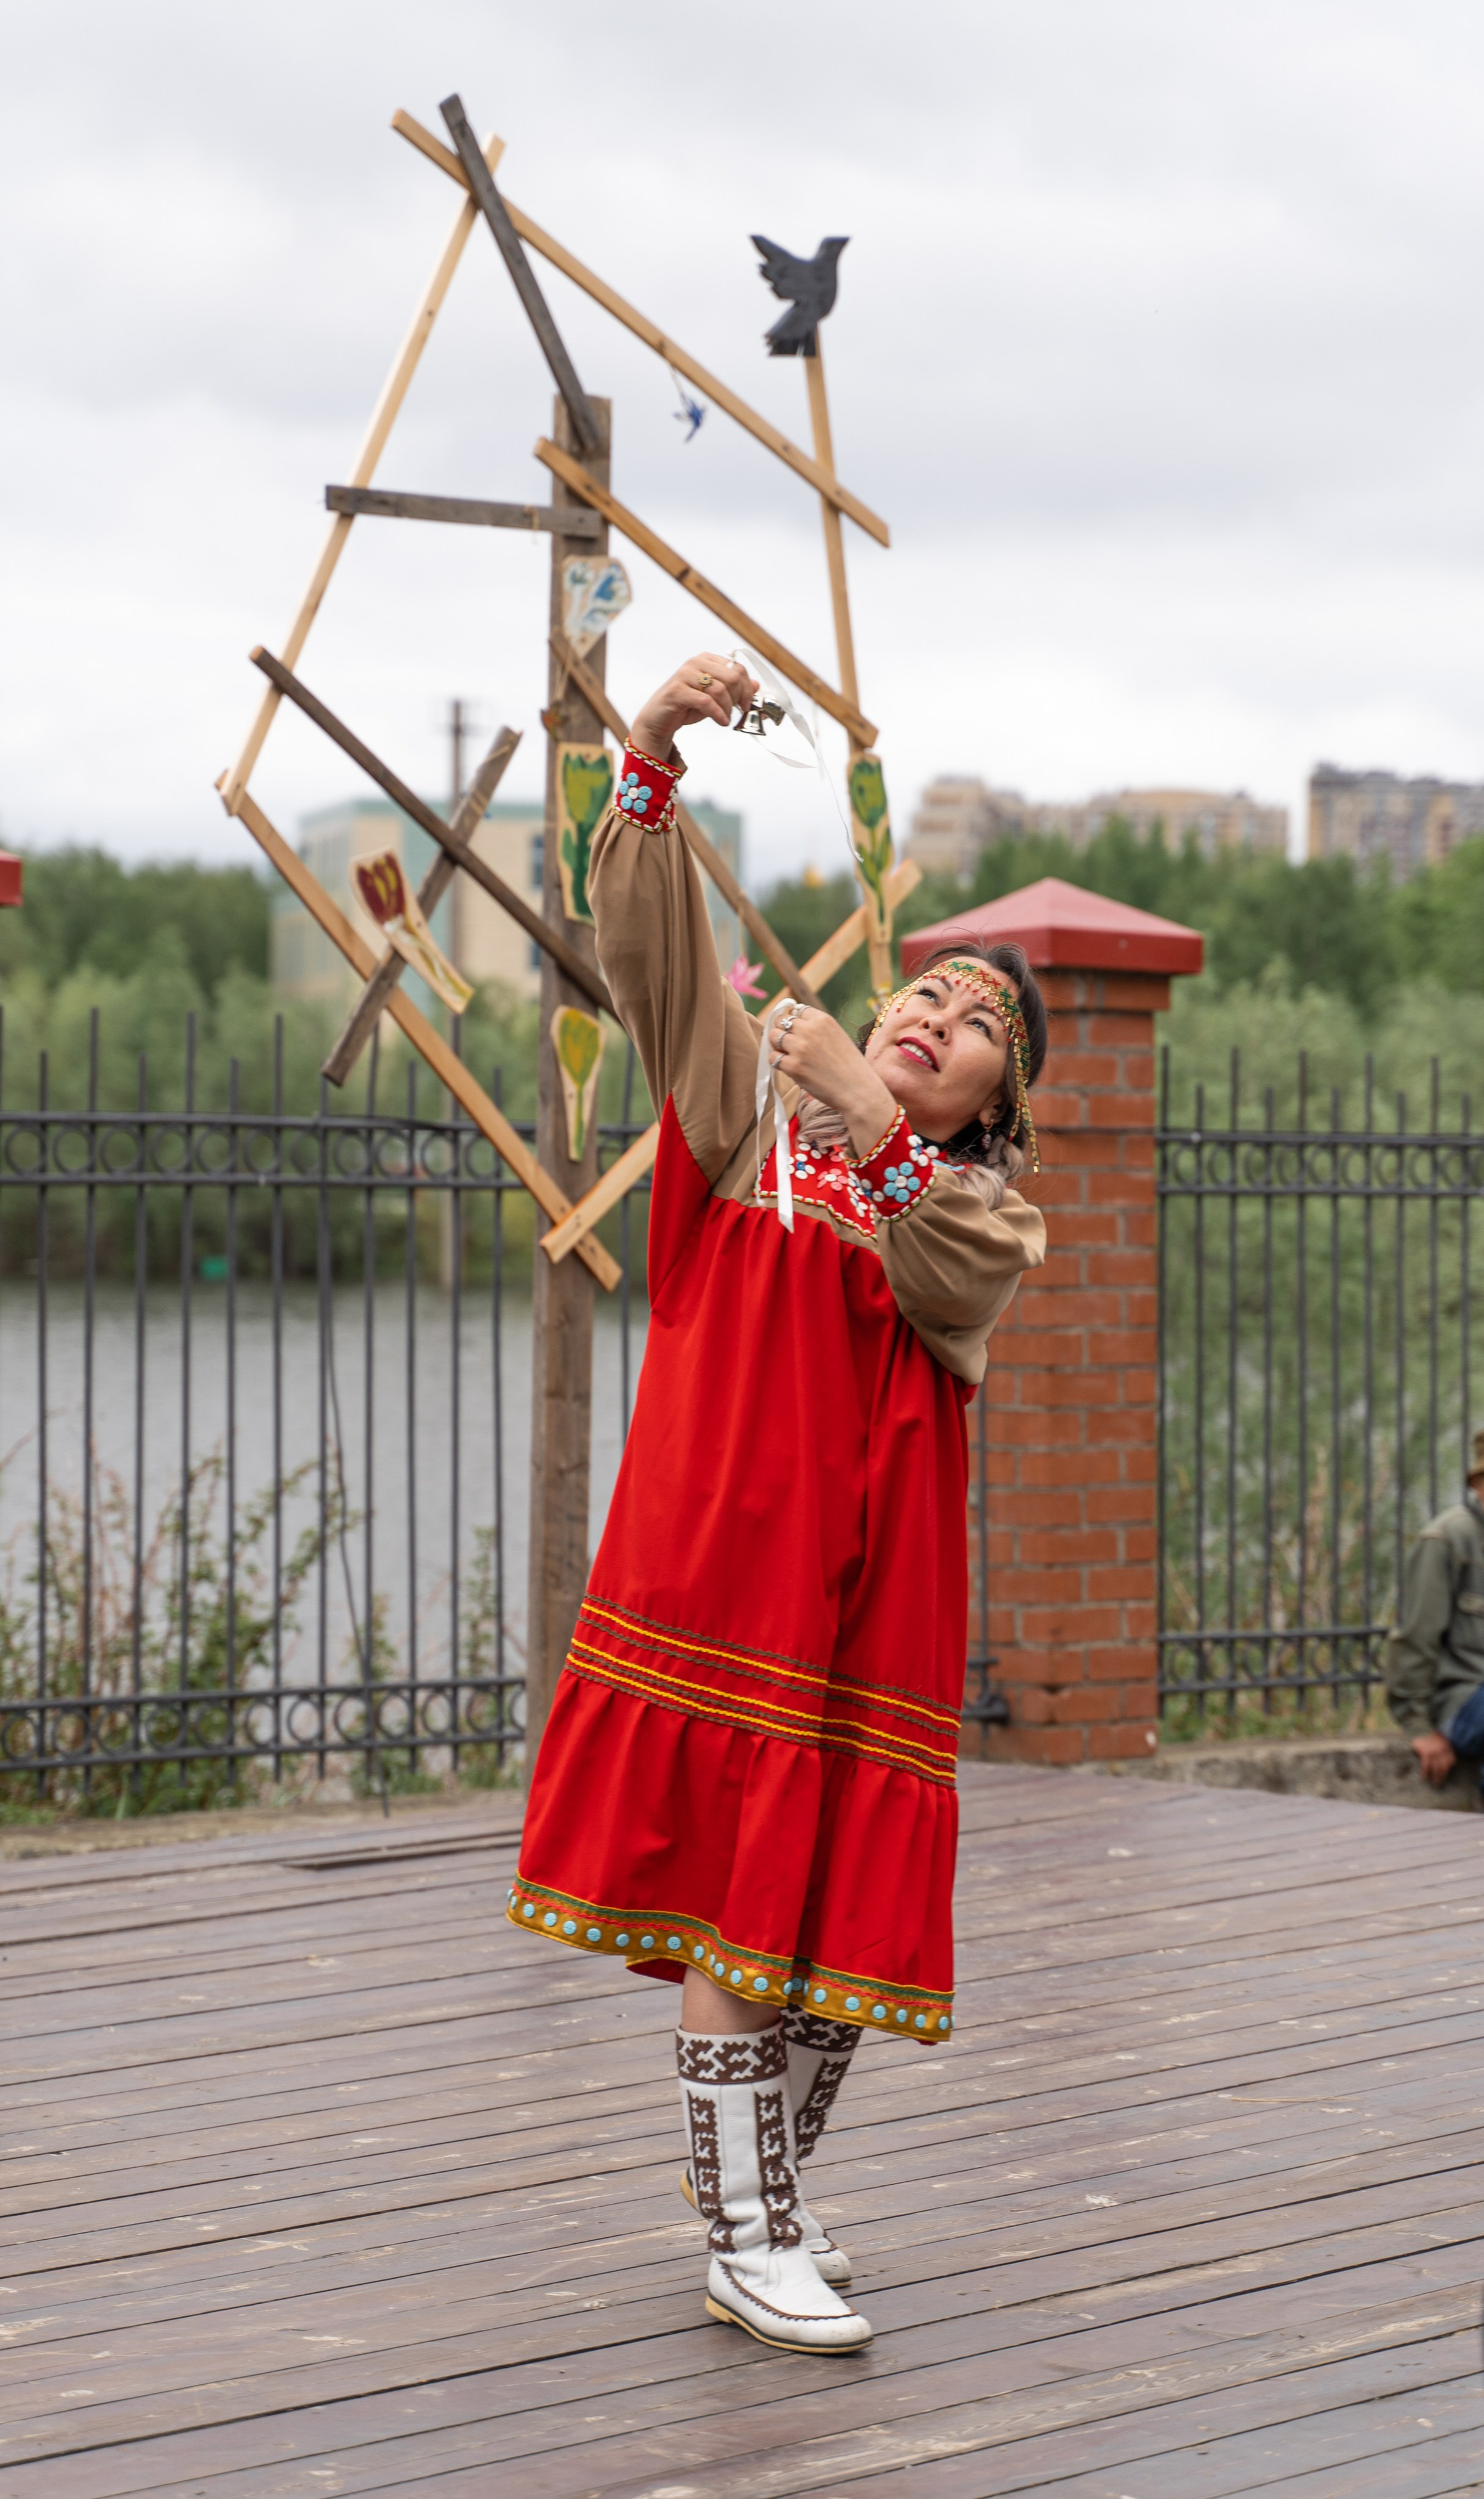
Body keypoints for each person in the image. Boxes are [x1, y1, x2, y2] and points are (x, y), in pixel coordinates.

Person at [507, 653, 1048, 2352]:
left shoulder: (973, 1214)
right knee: (748, 1908)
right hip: (729, 1565)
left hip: (874, 1606)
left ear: (993, 1099)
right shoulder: (754, 1123)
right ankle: (746, 2230)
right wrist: (652, 749)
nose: (932, 1016)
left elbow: (948, 1275)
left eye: (973, 1024)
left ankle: (773, 2199)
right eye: (927, 992)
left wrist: (869, 1111)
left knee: (845, 1932)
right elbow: (659, 970)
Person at [1385, 1429, 1484, 1800]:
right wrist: (1417, 1725)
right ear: (1477, 1484)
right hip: (1463, 1695)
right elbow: (1416, 1635)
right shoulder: (1448, 1540)